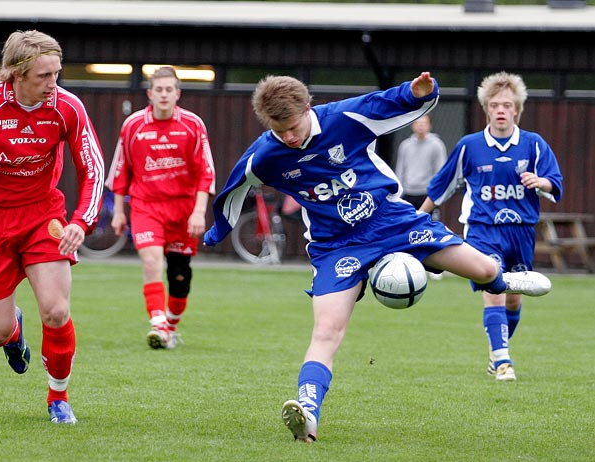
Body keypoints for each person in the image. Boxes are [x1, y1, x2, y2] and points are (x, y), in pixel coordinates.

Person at [203, 72, 552, 443]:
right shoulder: (265, 154)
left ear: (308, 108)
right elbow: (233, 191)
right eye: (279, 130)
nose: (289, 136)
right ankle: (307, 413)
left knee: (484, 268)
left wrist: (420, 92)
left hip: (391, 221)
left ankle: (503, 281)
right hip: (337, 246)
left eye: (293, 126)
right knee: (325, 332)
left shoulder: (342, 118)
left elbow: (387, 102)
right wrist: (215, 233)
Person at [0, 30, 105, 424]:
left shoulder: (68, 107)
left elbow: (92, 167)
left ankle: (58, 398)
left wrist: (81, 221)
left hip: (42, 215)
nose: (53, 83)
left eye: (57, 73)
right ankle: (13, 332)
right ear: (15, 73)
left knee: (57, 310)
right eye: (44, 76)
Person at [420, 71, 563, 382]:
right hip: (483, 230)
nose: (501, 110)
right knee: (494, 287)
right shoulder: (470, 146)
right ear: (486, 108)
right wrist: (416, 219)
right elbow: (441, 187)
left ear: (517, 110)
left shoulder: (533, 145)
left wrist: (541, 182)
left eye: (507, 105)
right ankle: (502, 361)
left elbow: (555, 183)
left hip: (522, 232)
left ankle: (497, 351)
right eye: (495, 104)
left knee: (514, 299)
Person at [107, 66, 216, 350]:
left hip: (183, 208)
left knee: (180, 276)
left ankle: (171, 323)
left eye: (170, 90)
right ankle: (158, 325)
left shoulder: (193, 124)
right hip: (146, 206)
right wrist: (119, 211)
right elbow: (121, 170)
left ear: (177, 94)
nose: (164, 95)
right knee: (152, 262)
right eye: (159, 90)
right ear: (150, 94)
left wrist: (198, 211)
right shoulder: (133, 125)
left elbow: (206, 172)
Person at [394, 114, 447, 220]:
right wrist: (398, 192)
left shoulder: (436, 144)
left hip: (427, 193)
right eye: (418, 123)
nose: (420, 126)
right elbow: (400, 169)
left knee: (429, 225)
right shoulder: (405, 145)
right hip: (408, 192)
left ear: (429, 126)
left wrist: (436, 191)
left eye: (424, 123)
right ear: (412, 125)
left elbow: (441, 170)